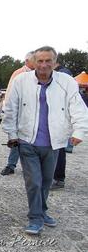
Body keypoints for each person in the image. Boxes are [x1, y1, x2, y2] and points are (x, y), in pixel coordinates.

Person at [2, 46, 88, 235]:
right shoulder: (21, 81)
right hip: (27, 140)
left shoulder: (66, 82)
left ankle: (42, 210)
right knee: (34, 181)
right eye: (40, 61)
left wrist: (79, 131)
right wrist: (12, 134)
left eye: (48, 60)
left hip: (53, 142)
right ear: (33, 62)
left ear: (55, 63)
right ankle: (35, 218)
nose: (44, 64)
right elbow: (11, 108)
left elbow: (77, 106)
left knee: (47, 181)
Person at [1, 51, 35, 176]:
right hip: (19, 111)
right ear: (27, 61)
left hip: (28, 112)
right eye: (35, 60)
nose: (37, 63)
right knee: (16, 139)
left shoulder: (34, 73)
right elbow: (11, 94)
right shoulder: (21, 73)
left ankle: (21, 166)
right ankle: (11, 165)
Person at [49, 61, 73, 190]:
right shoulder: (63, 73)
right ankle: (56, 177)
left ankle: (58, 179)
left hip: (60, 118)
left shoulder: (62, 75)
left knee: (58, 150)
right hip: (58, 117)